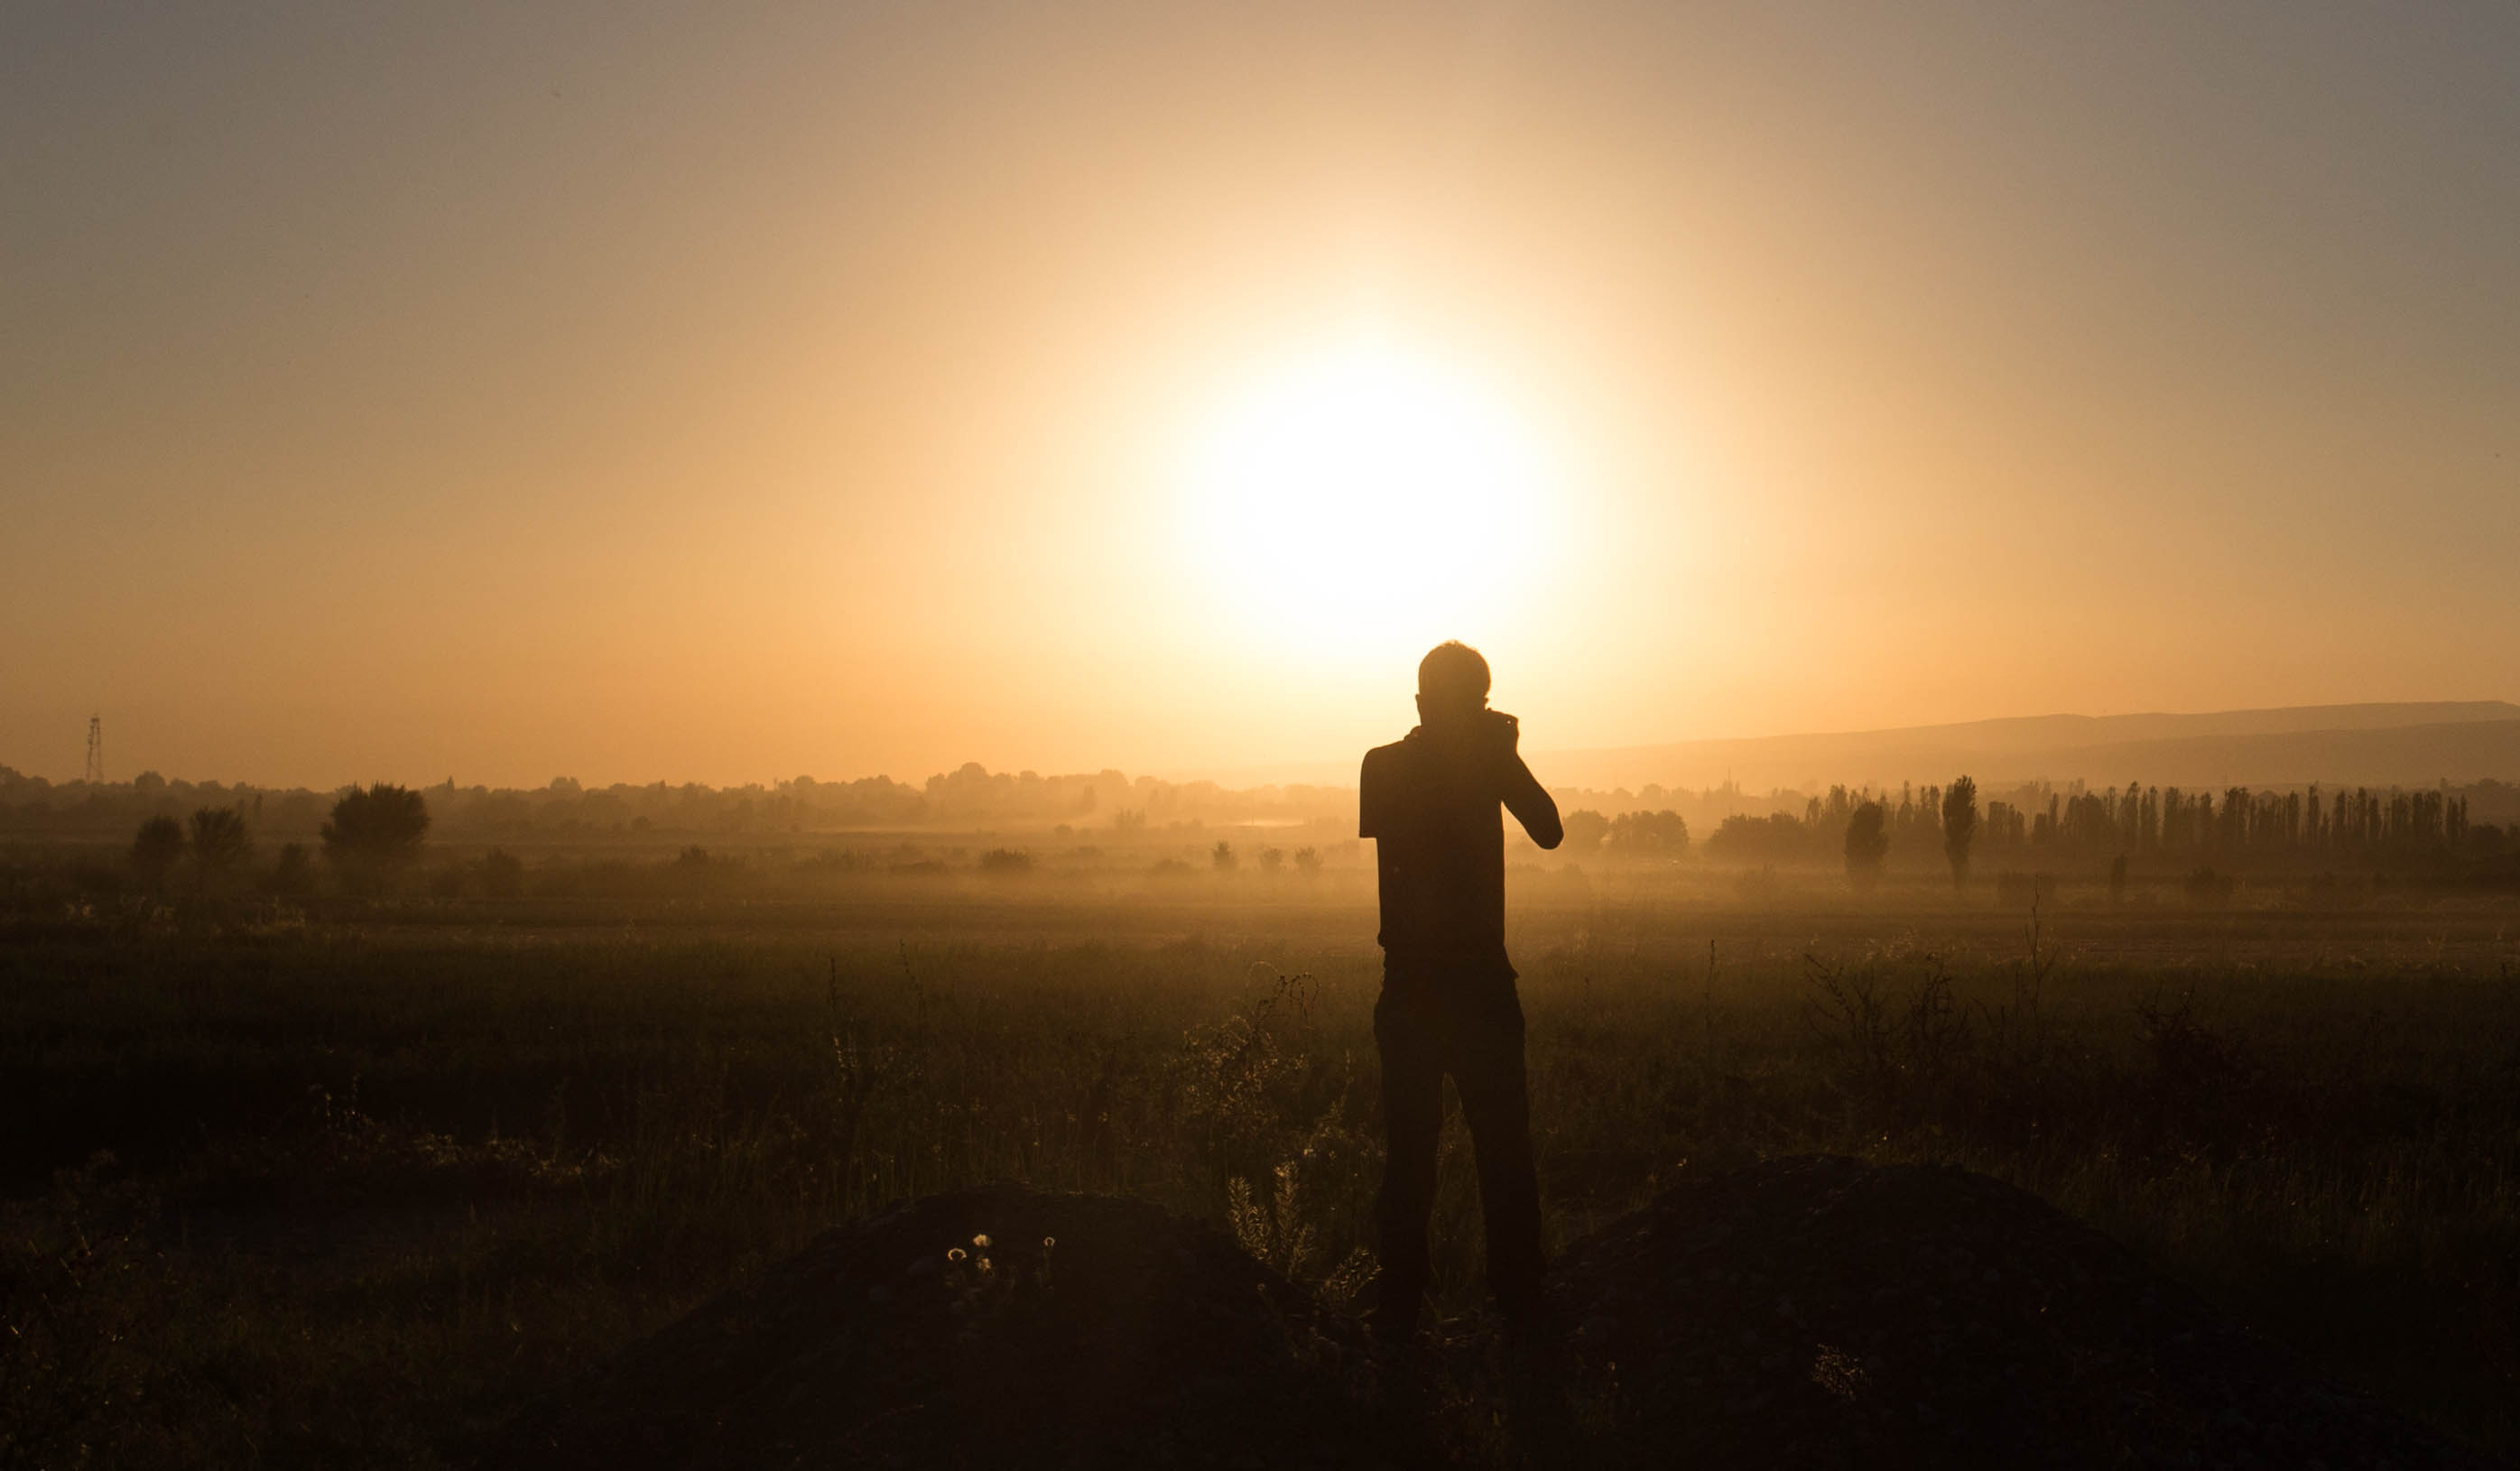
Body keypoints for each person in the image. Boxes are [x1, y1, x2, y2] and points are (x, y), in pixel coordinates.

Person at [1358, 640, 1563, 1343]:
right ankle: (1521, 1302)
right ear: (1481, 702)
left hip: (1410, 984)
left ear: (1418, 702)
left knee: (1409, 1155)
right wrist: (1500, 749)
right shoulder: (1488, 760)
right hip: (1480, 985)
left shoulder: (1381, 766)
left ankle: (1398, 1311)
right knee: (1504, 1150)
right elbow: (1550, 830)